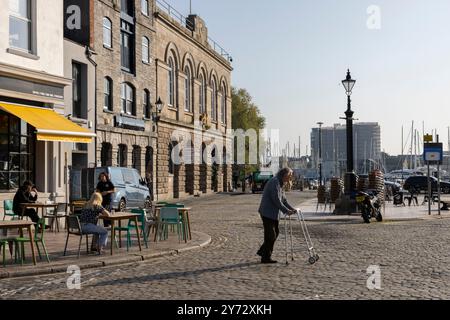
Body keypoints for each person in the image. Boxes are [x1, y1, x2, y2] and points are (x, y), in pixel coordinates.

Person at [257, 167, 297, 264]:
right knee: (271, 235)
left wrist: (292, 209)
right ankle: (265, 257)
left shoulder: (281, 183)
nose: (290, 178)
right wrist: (286, 211)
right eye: (289, 176)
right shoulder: (274, 182)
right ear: (284, 175)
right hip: (267, 212)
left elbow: (284, 200)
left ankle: (263, 252)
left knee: (276, 233)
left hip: (274, 214)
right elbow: (276, 200)